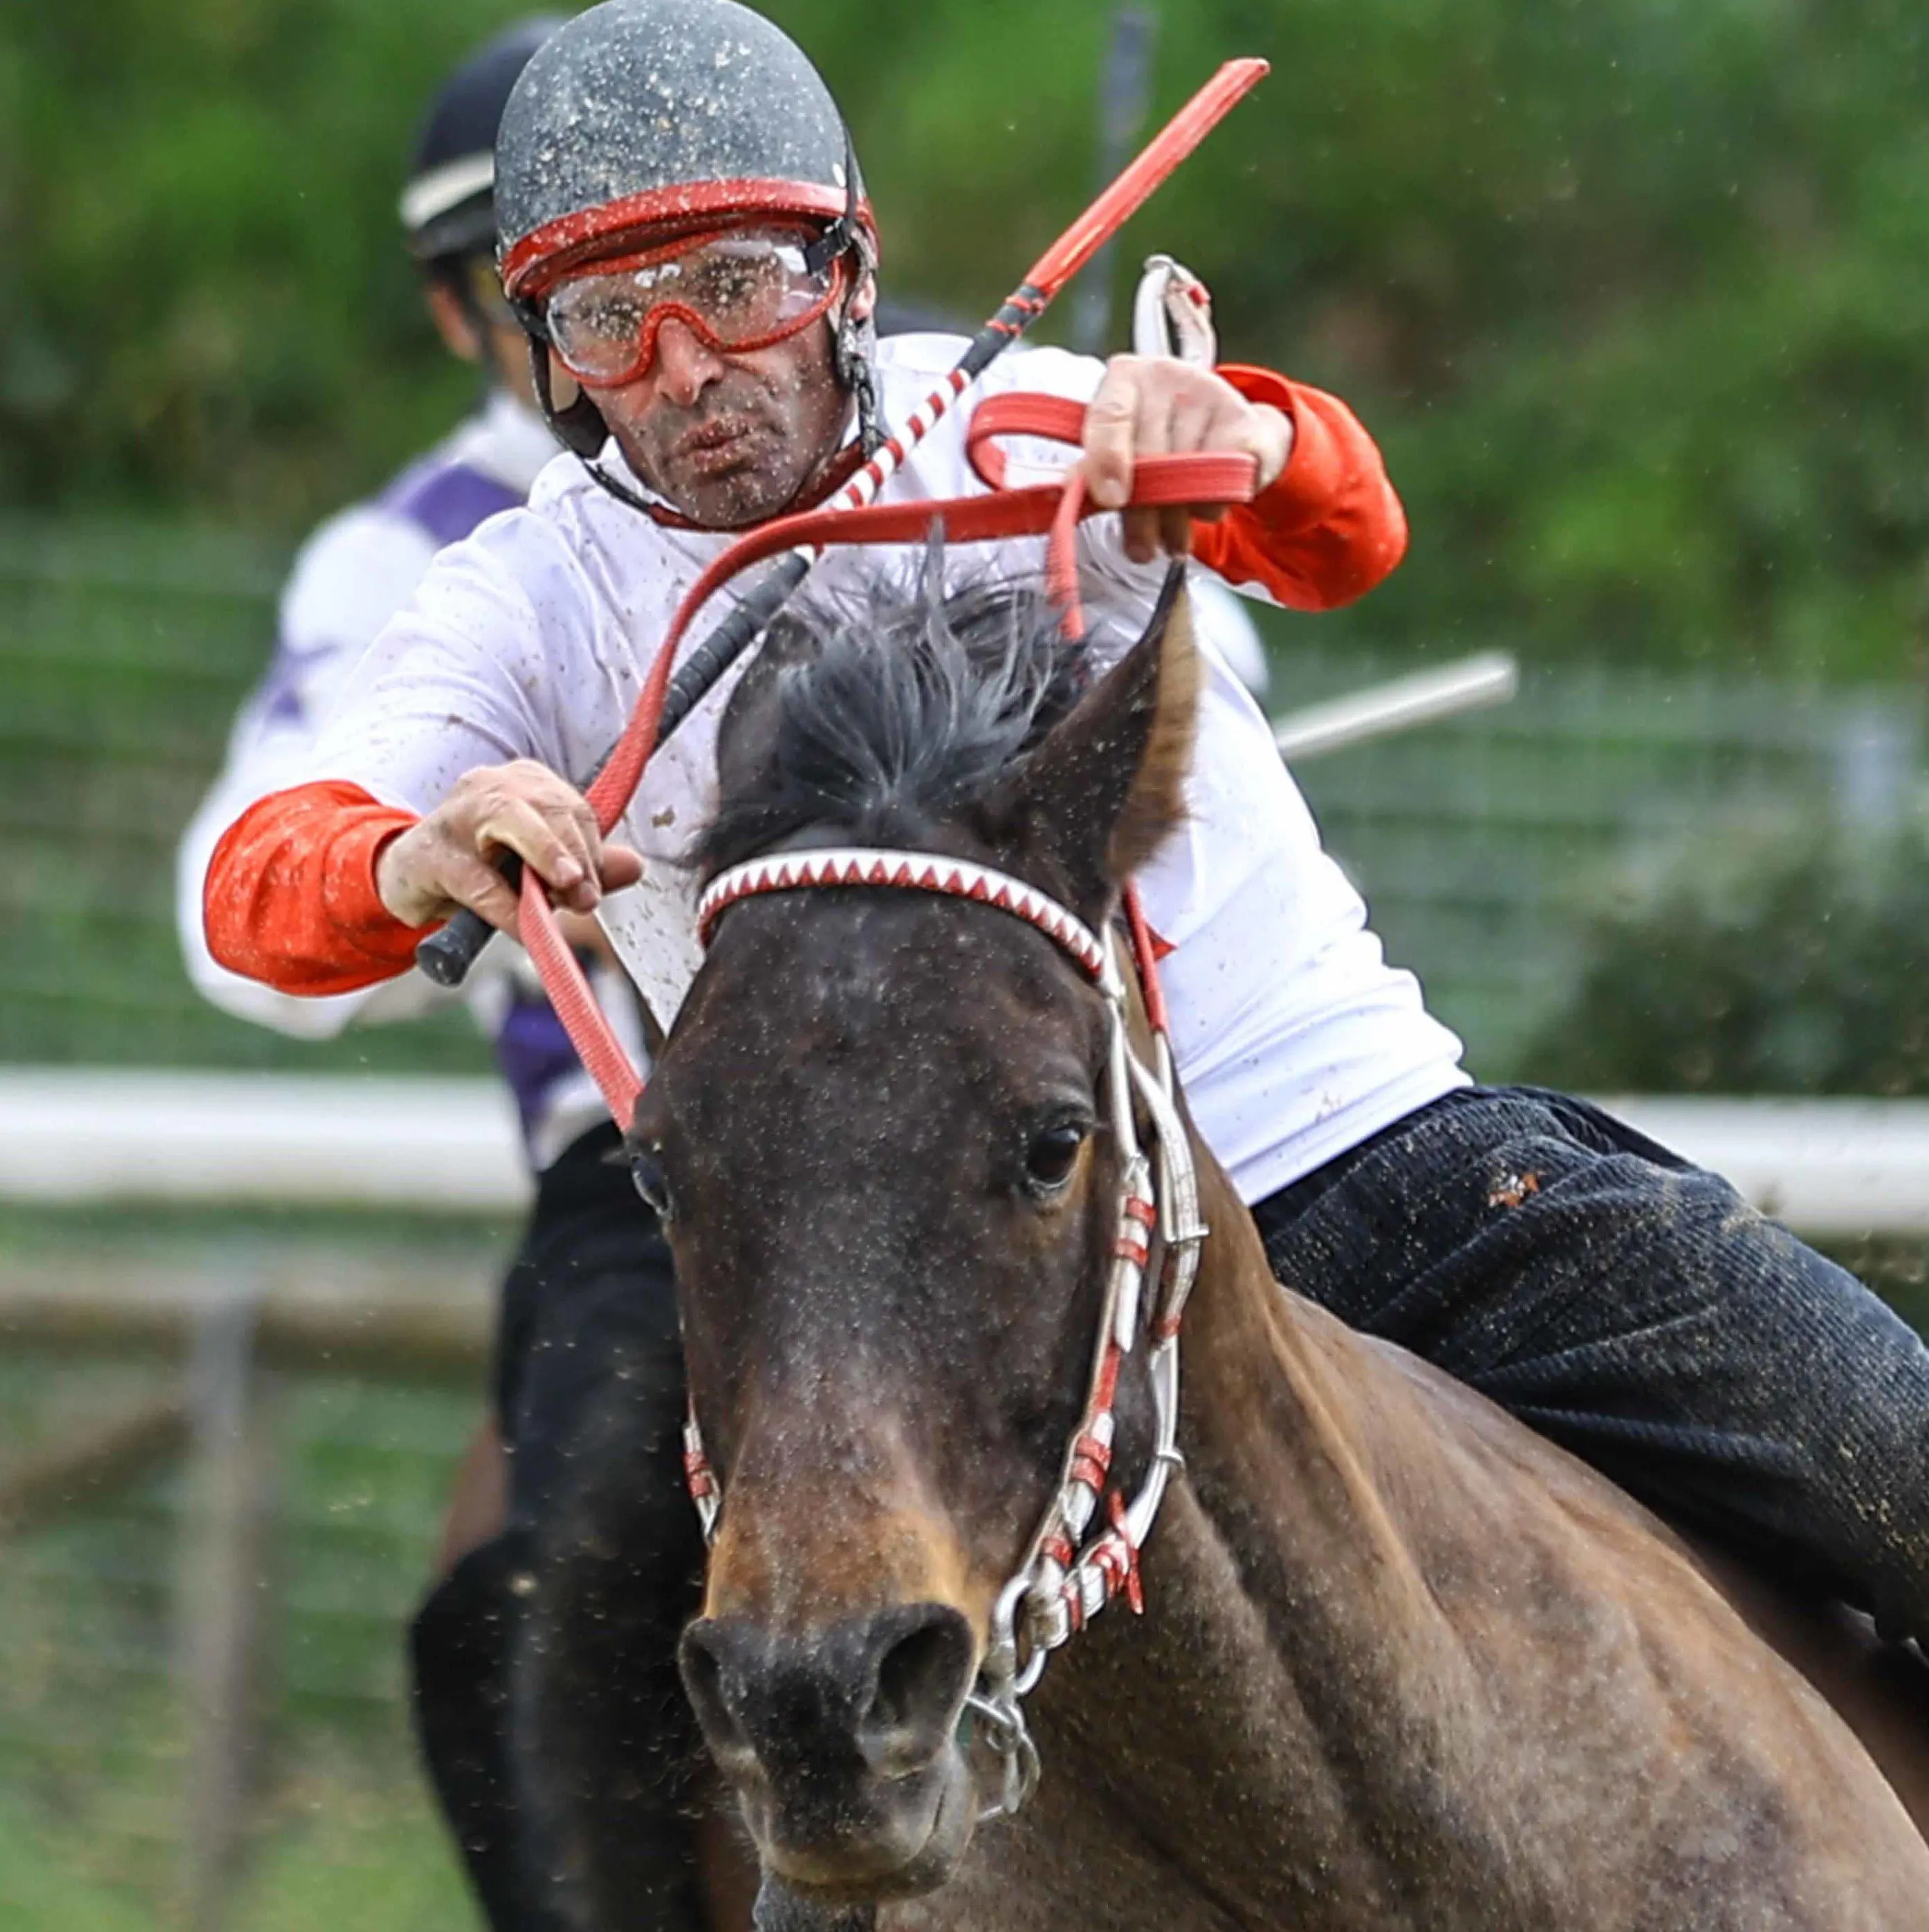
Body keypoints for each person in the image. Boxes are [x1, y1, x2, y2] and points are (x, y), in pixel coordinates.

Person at [196, 0, 1929, 1920]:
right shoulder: (520, 595)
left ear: (845, 270)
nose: (687, 371)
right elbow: (262, 886)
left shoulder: (1024, 416)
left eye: (736, 286)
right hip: (911, 1302)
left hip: (1349, 1155)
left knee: (1889, 1452)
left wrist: (1234, 431)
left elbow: (1341, 529)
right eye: (612, 322)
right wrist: (406, 851)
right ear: (545, 358)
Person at [173, 20, 640, 1929]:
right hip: (648, 1161)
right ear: (466, 317)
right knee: (525, 1614)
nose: (605, 329)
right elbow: (260, 945)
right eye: (540, 284)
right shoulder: (405, 563)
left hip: (999, 1103)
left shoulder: (851, 427)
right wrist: (411, 868)